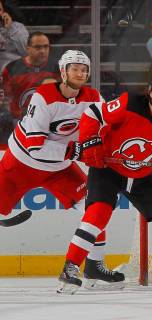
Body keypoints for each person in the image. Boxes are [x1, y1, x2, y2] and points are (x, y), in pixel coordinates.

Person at [58, 72, 152, 293]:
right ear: (151, 92)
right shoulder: (130, 103)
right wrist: (91, 141)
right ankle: (71, 267)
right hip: (107, 168)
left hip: (142, 175)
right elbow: (93, 113)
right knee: (97, 214)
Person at [0, 50, 109, 275]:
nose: (80, 73)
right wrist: (76, 150)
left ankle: (94, 265)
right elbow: (34, 146)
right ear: (63, 71)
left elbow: (110, 127)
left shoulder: (94, 98)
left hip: (59, 168)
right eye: (75, 68)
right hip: (20, 164)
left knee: (95, 207)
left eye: (84, 69)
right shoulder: (44, 96)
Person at [2, 32, 58, 122]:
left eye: (46, 46)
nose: (42, 51)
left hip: (48, 121)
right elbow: (4, 96)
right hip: (18, 121)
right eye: (38, 47)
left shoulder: (57, 68)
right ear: (28, 48)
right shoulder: (12, 68)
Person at [0, 0, 27, 71]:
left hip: (16, 72)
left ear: (3, 11)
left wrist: (10, 29)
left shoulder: (18, 28)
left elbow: (26, 52)